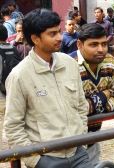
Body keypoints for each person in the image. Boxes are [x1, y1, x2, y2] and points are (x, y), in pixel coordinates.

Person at [4, 8, 92, 168]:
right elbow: (13, 126)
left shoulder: (70, 64)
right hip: (46, 159)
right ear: (35, 39)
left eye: (59, 31)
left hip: (78, 155)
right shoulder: (19, 76)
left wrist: (81, 142)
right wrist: (36, 161)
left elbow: (80, 106)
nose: (60, 37)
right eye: (52, 34)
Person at [70, 23, 114, 163]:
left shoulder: (110, 62)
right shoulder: (69, 65)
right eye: (94, 44)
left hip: (94, 136)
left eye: (104, 44)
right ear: (80, 45)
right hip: (69, 139)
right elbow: (73, 108)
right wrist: (104, 95)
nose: (101, 49)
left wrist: (92, 106)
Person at [0, 24, 21, 150]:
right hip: (14, 93)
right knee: (13, 124)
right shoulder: (13, 49)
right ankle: (13, 150)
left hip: (1, 95)